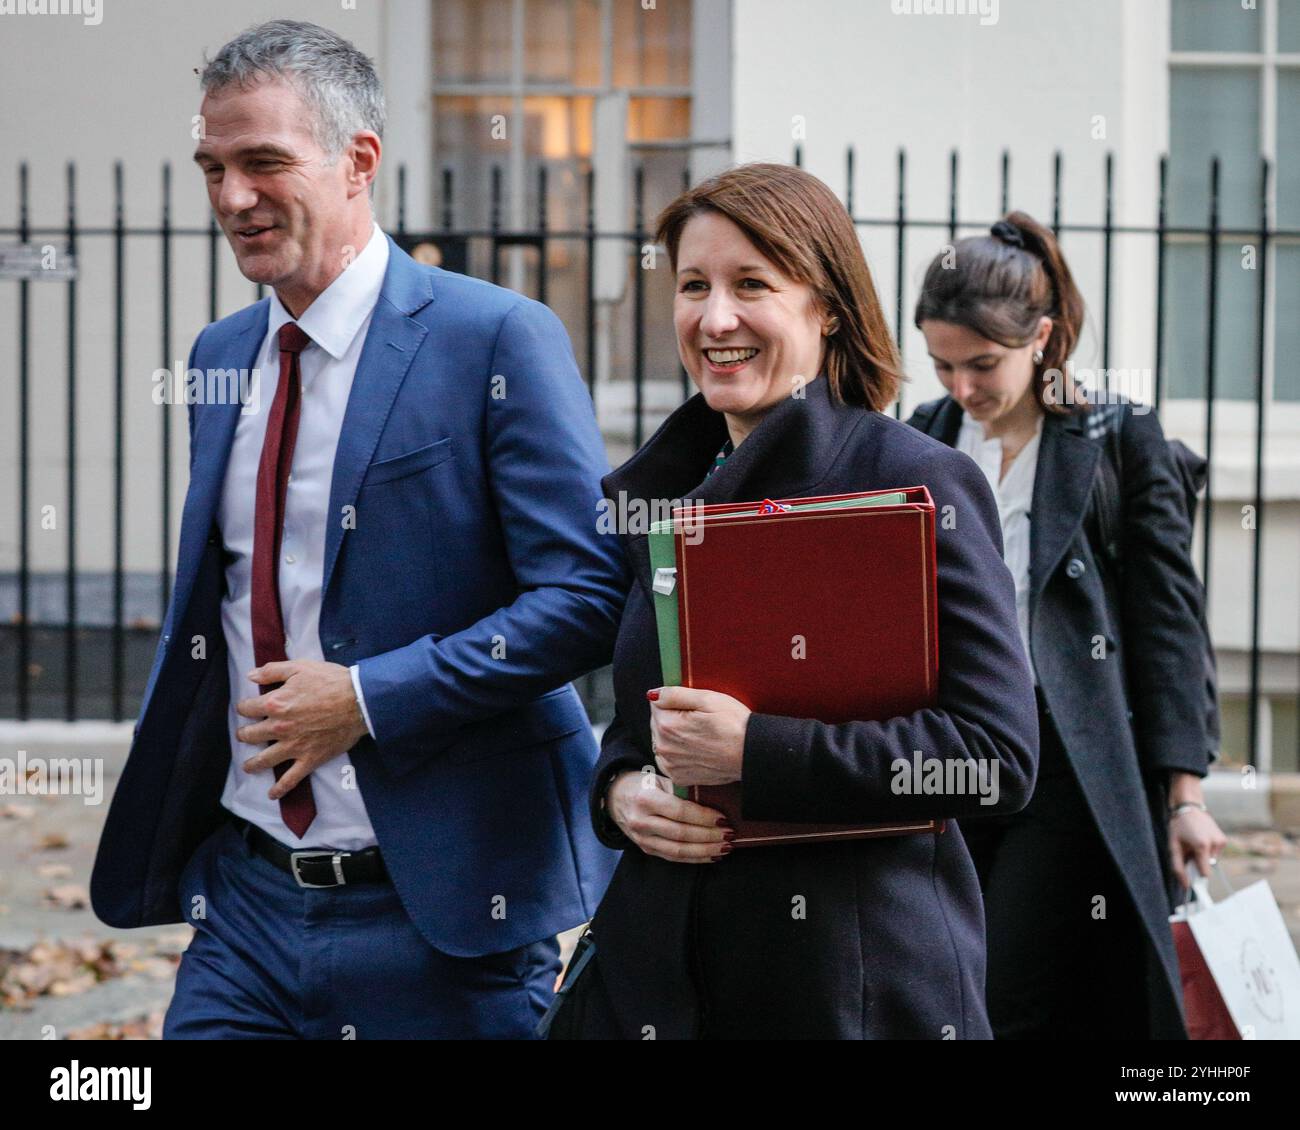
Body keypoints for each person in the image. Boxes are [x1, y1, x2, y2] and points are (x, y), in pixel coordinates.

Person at [89, 19, 625, 1039]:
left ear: (358, 162)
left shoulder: (495, 338)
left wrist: (371, 698)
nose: (230, 197)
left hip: (445, 916)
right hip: (243, 908)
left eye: (262, 163)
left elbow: (587, 596)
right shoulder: (222, 352)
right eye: (212, 167)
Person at [547, 163, 1040, 1040]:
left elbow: (994, 756)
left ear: (828, 309)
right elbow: (637, 726)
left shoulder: (914, 479)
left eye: (752, 286)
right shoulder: (663, 494)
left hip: (844, 990)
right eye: (694, 285)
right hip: (660, 985)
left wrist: (756, 751)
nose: (715, 317)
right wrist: (621, 795)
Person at [908, 211, 1227, 1039]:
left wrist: (1184, 794)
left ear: (1042, 338)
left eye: (983, 364)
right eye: (943, 365)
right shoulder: (925, 438)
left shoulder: (1115, 438)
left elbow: (1169, 623)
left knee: (1008, 989)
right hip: (949, 751)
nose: (963, 388)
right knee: (941, 983)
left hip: (1064, 761)